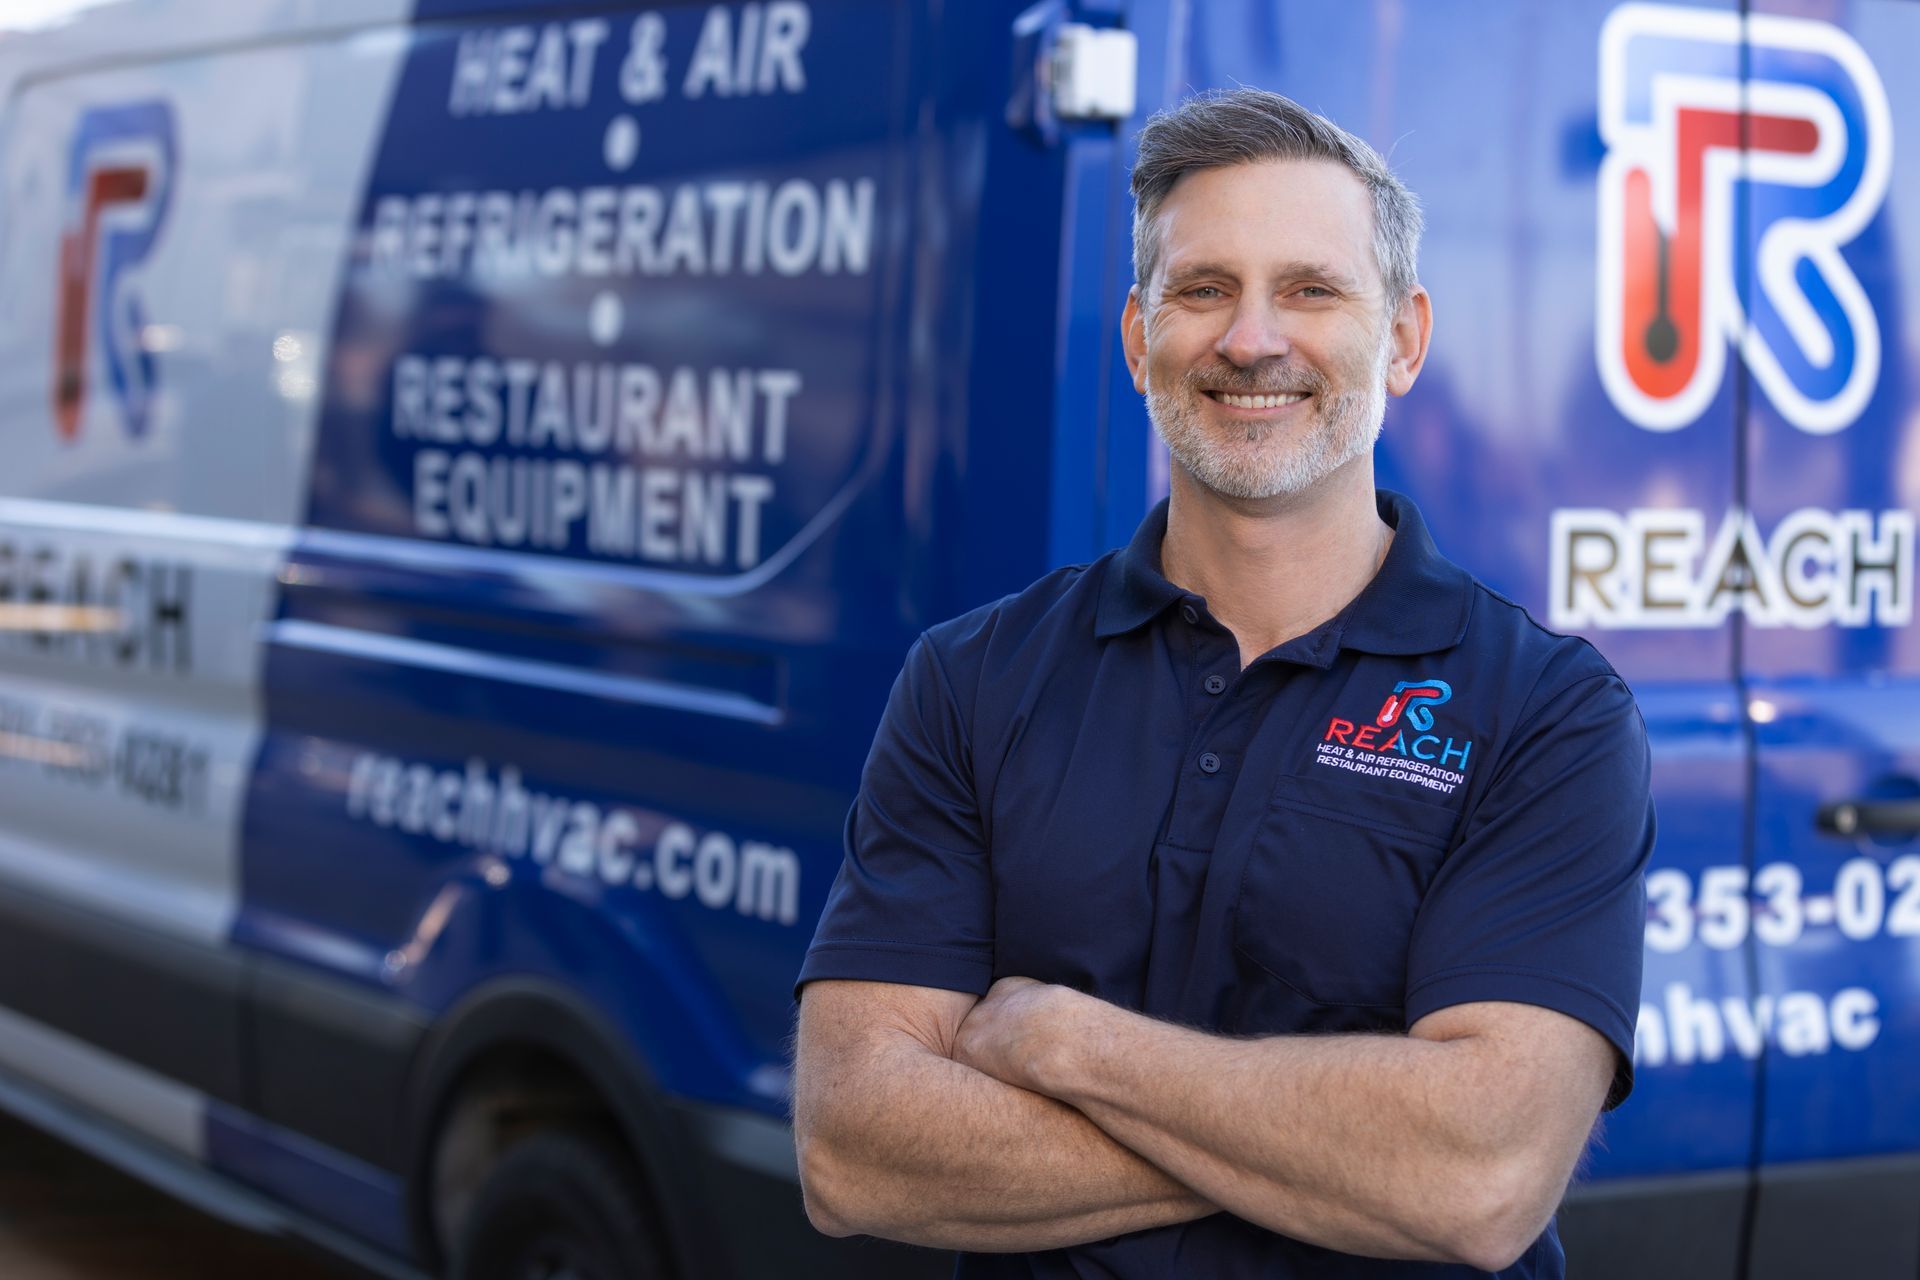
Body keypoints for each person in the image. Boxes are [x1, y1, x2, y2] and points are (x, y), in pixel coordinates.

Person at [791, 88, 1653, 1279]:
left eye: (1311, 290)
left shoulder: (1549, 714)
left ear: (1403, 339)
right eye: (1203, 289)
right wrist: (1345, 1150)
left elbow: (1481, 1177)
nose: (1251, 340)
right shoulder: (972, 678)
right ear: (1138, 335)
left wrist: (1071, 1044)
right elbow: (853, 1147)